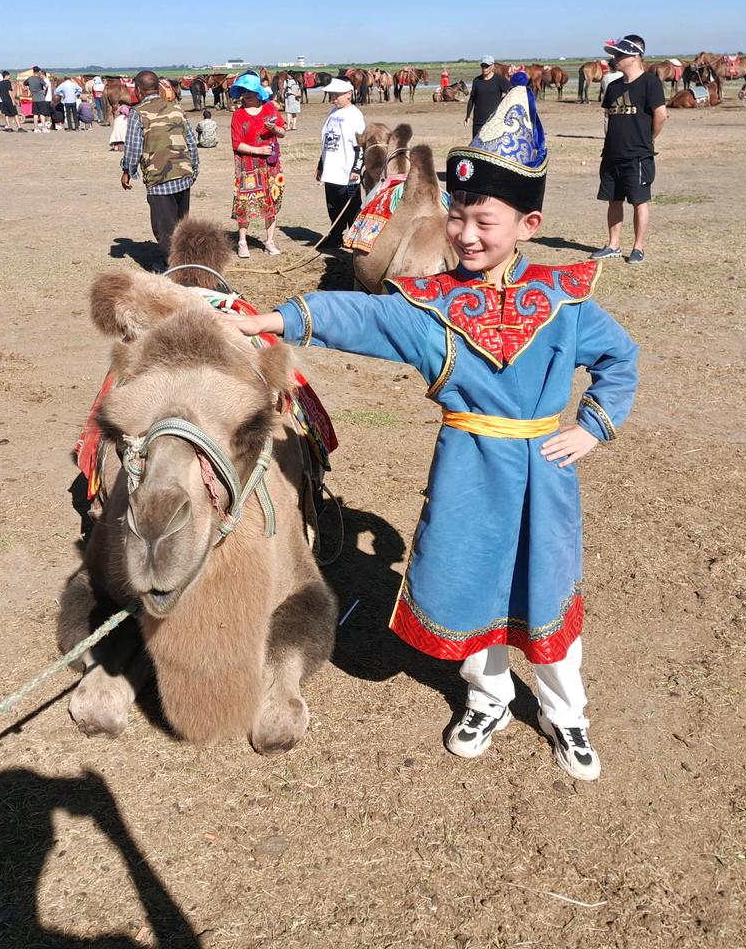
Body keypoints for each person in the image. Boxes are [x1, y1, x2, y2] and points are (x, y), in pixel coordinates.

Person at [228, 75, 639, 780]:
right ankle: (488, 698)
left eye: (487, 222)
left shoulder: (564, 301)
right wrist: (274, 319)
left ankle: (566, 712)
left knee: (544, 588)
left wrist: (593, 428)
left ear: (528, 226)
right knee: (470, 582)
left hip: (544, 473)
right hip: (467, 471)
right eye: (458, 217)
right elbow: (361, 316)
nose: (467, 235)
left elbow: (620, 360)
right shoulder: (432, 307)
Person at [591, 34, 667, 266]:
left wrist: (648, 139)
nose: (615, 59)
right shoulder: (613, 86)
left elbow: (661, 115)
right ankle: (613, 245)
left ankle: (638, 247)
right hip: (611, 154)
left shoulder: (650, 83)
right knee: (613, 200)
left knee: (639, 201)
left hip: (638, 155)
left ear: (634, 57)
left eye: (620, 55)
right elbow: (608, 118)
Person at [119, 69, 199, 267]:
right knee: (181, 224)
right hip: (183, 175)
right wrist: (193, 169)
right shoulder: (176, 108)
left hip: (159, 179)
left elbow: (133, 147)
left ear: (138, 90)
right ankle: (185, 262)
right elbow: (191, 142)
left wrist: (127, 171)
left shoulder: (138, 113)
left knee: (165, 228)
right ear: (158, 88)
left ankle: (172, 267)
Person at [229, 73, 285, 258]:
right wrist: (257, 150)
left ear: (258, 92)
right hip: (248, 167)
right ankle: (242, 242)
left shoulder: (270, 108)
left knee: (272, 202)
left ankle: (269, 241)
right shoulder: (238, 115)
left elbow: (282, 132)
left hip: (271, 165)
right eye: (243, 91)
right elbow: (237, 143)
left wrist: (274, 129)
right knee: (245, 204)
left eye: (250, 91)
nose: (246, 95)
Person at [315, 77, 365, 249]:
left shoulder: (355, 115)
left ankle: (354, 238)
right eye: (332, 95)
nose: (334, 98)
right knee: (333, 205)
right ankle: (335, 235)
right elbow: (326, 142)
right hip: (331, 169)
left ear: (349, 94)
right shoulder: (332, 113)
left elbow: (360, 145)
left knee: (351, 207)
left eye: (337, 95)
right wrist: (321, 164)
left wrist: (356, 169)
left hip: (347, 171)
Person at [464, 55, 510, 138]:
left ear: (492, 66)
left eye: (487, 66)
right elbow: (472, 99)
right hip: (478, 121)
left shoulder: (499, 80)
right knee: (477, 144)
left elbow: (511, 92)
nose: (484, 68)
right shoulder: (477, 81)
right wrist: (468, 116)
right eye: (482, 66)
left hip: (494, 121)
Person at [26, 67, 48, 133]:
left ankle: (36, 128)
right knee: (42, 114)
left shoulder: (29, 79)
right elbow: (47, 85)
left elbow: (24, 84)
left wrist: (30, 89)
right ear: (38, 72)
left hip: (34, 98)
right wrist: (45, 92)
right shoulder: (39, 79)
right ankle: (43, 128)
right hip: (41, 98)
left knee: (35, 114)